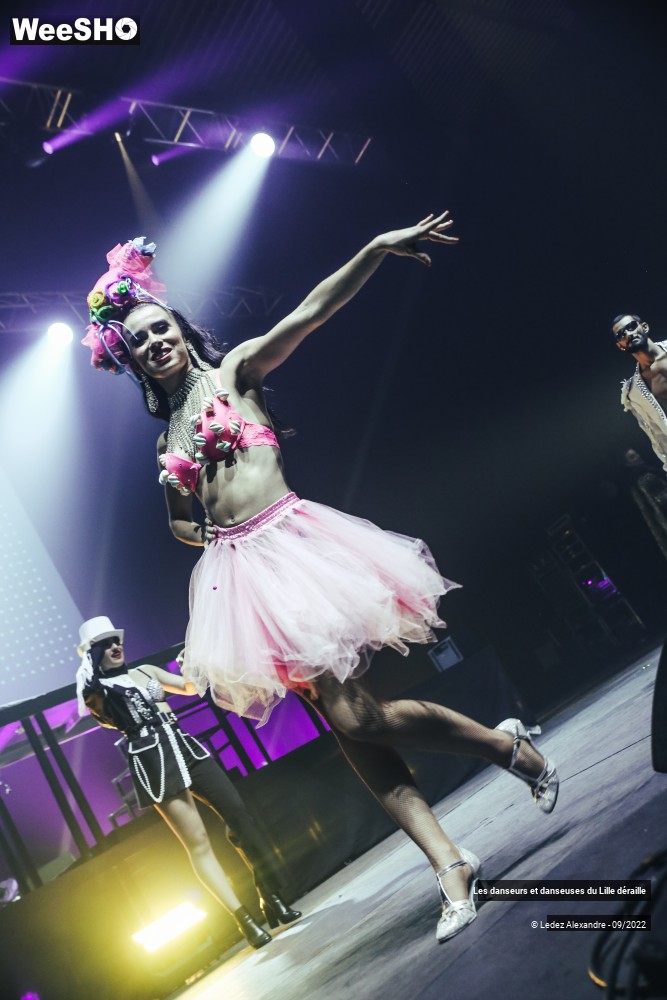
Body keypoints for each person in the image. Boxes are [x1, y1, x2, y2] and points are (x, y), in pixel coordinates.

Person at [82, 216, 559, 943]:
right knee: (349, 728)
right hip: (239, 582)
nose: (155, 343)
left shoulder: (236, 372)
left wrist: (371, 249)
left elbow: (310, 312)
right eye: (141, 340)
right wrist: (196, 528)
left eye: (161, 328)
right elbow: (181, 521)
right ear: (132, 360)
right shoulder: (165, 439)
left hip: (296, 553)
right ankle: (448, 862)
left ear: (179, 328)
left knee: (357, 718)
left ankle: (505, 750)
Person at [75, 615, 300, 949]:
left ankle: (269, 895)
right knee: (198, 842)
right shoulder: (98, 692)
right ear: (92, 653)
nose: (116, 646)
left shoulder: (145, 672)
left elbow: (188, 688)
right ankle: (245, 920)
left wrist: (189, 667)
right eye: (106, 643)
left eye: (117, 640)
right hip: (152, 758)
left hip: (184, 745)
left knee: (239, 814)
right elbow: (99, 712)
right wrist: (100, 679)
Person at [614, 313, 667, 471]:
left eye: (631, 327)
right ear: (620, 346)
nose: (628, 334)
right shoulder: (633, 392)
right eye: (621, 334)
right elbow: (657, 437)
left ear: (644, 327)